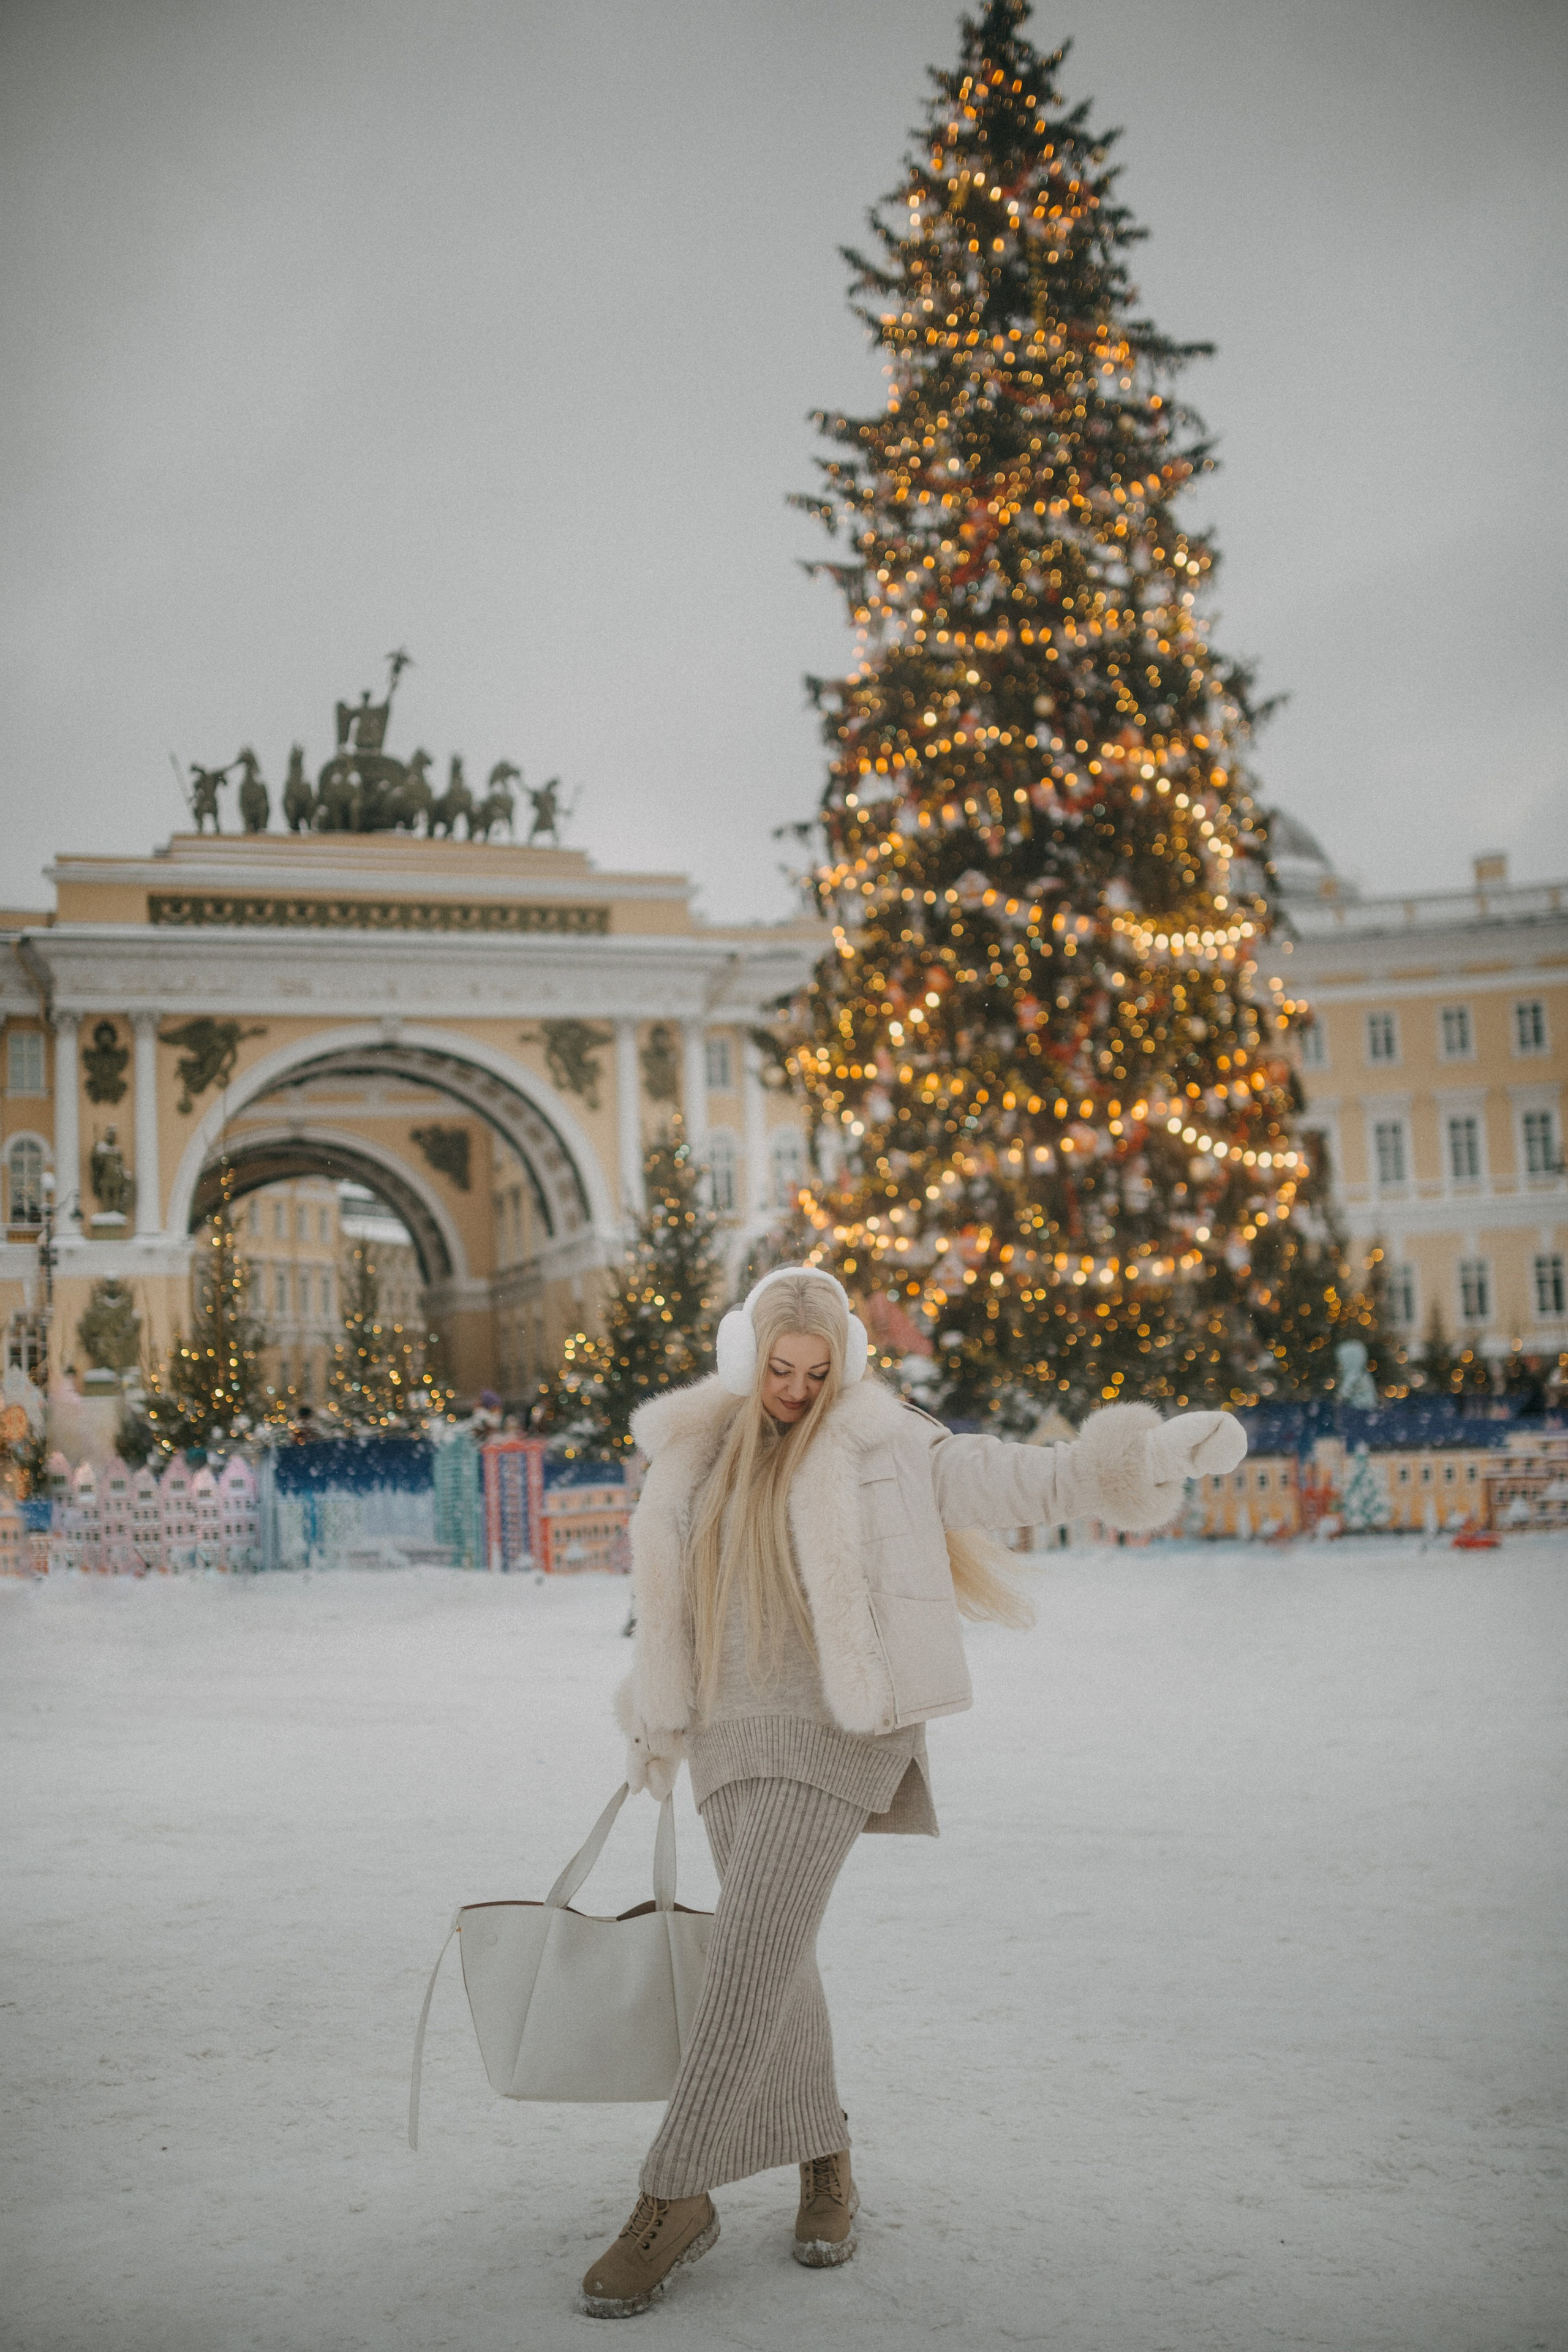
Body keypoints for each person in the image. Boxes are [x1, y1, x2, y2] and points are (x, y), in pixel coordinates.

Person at [581, 1267, 1246, 2319]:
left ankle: (674, 2191)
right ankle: (827, 2161)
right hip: (730, 1731)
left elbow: (1020, 1479)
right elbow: (672, 1607)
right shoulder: (697, 1451)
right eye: (779, 1368)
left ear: (844, 1364)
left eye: (817, 1369)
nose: (796, 1389)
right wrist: (657, 1719)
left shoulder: (888, 1442)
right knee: (778, 1951)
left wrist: (1143, 1458)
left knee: (748, 1952)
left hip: (841, 1731)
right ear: (746, 1357)